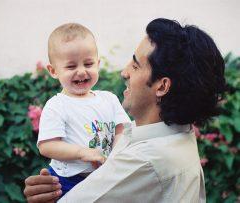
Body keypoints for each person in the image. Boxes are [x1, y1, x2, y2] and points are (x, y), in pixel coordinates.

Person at [24, 18, 226, 202]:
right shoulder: (173, 138)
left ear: (162, 86)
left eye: (136, 66)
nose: (124, 72)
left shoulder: (144, 163)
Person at [36, 23, 131, 197]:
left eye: (88, 64)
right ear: (53, 71)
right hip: (67, 181)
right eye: (71, 67)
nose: (81, 71)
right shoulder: (57, 105)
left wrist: (115, 156)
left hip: (104, 177)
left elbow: (122, 130)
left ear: (98, 64)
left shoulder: (109, 99)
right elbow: (47, 145)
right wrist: (81, 153)